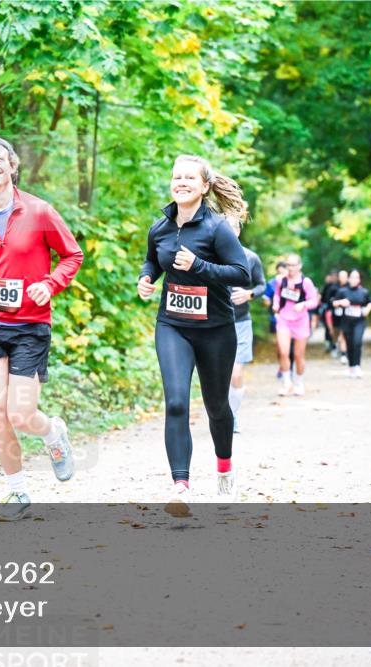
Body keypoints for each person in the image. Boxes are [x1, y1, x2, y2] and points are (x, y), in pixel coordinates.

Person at [0, 134, 83, 517]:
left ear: (12, 166)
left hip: (29, 327)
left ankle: (53, 432)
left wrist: (50, 283)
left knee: (20, 414)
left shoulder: (39, 213)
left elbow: (72, 255)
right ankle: (18, 491)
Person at [137, 154, 251, 501]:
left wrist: (199, 265)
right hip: (173, 325)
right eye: (177, 177)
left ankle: (225, 469)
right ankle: (180, 486)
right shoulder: (160, 228)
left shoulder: (216, 228)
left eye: (189, 178)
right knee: (175, 402)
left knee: (216, 406)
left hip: (215, 328)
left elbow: (241, 274)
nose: (181, 182)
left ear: (204, 186)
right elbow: (152, 259)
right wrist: (146, 277)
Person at [226, 217, 266, 434]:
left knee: (236, 373)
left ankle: (232, 416)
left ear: (238, 232)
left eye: (232, 229)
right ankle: (223, 414)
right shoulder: (211, 256)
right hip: (216, 324)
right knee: (219, 376)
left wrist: (249, 293)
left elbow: (262, 285)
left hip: (241, 322)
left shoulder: (250, 257)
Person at [272, 254, 319, 396]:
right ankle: (287, 383)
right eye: (288, 265)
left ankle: (299, 383)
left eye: (293, 265)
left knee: (299, 355)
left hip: (301, 321)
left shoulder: (306, 282)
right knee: (283, 352)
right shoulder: (281, 281)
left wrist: (303, 304)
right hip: (284, 319)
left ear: (299, 266)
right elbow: (277, 295)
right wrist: (275, 305)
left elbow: (314, 301)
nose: (290, 268)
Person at [332, 269, 371, 378]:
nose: (354, 279)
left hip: (359, 321)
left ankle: (357, 366)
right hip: (346, 321)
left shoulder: (364, 292)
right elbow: (334, 303)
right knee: (350, 344)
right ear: (349, 279)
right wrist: (341, 302)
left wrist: (367, 309)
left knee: (357, 342)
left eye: (357, 277)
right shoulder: (343, 291)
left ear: (359, 279)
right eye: (352, 277)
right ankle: (351, 366)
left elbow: (370, 302)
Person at [263, 261, 294, 379]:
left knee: (291, 344)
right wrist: (270, 303)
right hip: (276, 318)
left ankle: (289, 368)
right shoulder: (272, 283)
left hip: (292, 318)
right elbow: (266, 299)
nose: (281, 274)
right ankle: (283, 366)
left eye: (284, 272)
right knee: (281, 346)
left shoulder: (292, 283)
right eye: (279, 272)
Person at [331, 269, 350, 365]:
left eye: (345, 276)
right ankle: (335, 346)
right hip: (336, 314)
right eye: (341, 276)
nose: (343, 278)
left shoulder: (351, 287)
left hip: (348, 315)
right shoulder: (334, 288)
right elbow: (329, 300)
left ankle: (344, 354)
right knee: (336, 332)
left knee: (344, 334)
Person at [320, 270, 340, 356]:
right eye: (333, 276)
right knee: (329, 328)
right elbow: (323, 298)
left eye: (336, 276)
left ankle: (337, 345)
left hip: (339, 311)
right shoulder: (327, 286)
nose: (334, 278)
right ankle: (330, 344)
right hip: (328, 310)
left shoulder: (341, 286)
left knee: (338, 329)